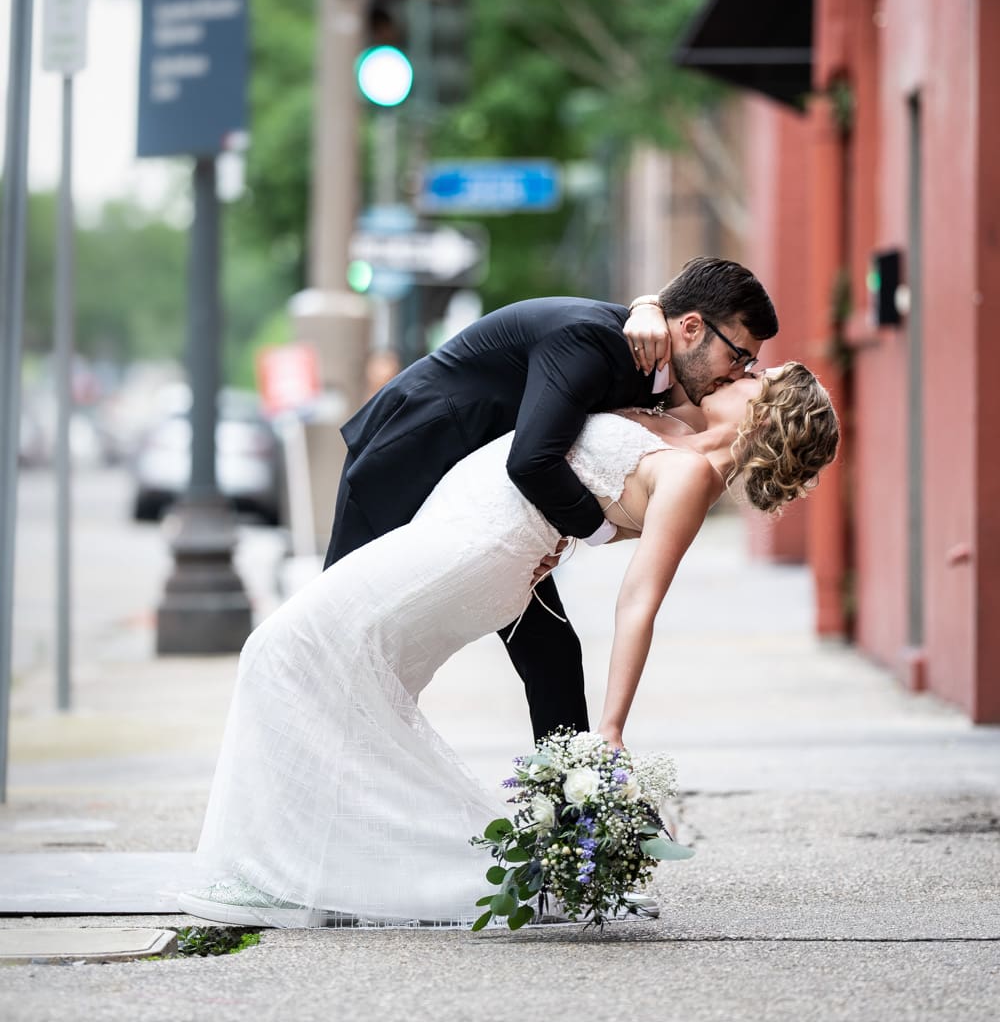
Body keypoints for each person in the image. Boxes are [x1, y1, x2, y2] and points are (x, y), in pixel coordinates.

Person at [180, 362, 839, 929]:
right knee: (341, 679)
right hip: (461, 531)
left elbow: (638, 601)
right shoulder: (675, 422)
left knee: (280, 650)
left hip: (473, 550)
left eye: (757, 377)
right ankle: (304, 860)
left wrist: (607, 731)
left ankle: (277, 868)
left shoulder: (691, 476)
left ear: (763, 417)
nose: (741, 371)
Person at [324, 259, 779, 740]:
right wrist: (595, 531)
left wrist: (647, 304)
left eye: (748, 366)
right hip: (408, 461)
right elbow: (532, 462)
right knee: (342, 635)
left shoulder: (661, 370)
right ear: (690, 328)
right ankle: (321, 767)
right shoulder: (594, 342)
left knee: (553, 654)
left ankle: (575, 802)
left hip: (494, 511)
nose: (738, 373)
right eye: (738, 357)